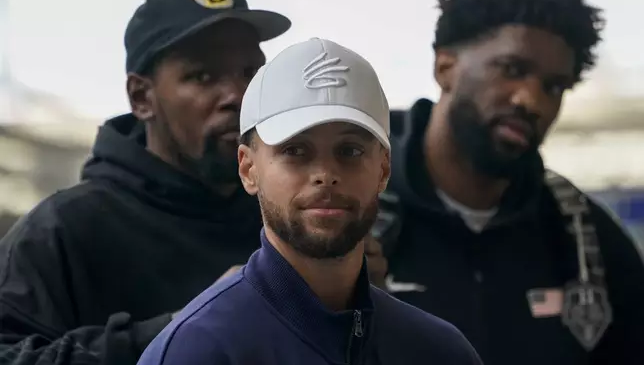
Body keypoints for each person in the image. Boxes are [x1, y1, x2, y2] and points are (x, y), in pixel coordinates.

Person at [137, 38, 483, 365]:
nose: (326, 174)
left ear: (383, 169)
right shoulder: (196, 352)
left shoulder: (440, 351)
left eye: (349, 150)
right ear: (248, 168)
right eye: (295, 150)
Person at [0, 0, 290, 364]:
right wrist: (185, 328)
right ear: (141, 98)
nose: (237, 95)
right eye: (203, 76)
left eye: (251, 72)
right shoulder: (63, 230)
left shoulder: (288, 215)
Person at [372, 0, 644, 365]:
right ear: (445, 66)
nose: (530, 101)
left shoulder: (588, 240)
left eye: (553, 87)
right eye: (512, 69)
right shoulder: (354, 218)